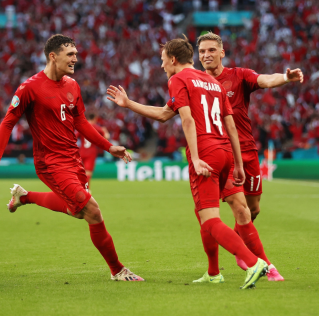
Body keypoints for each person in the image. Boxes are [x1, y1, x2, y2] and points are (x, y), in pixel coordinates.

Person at [107, 36, 268, 289]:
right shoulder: (213, 82)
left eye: (162, 61)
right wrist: (237, 163)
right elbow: (229, 125)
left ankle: (253, 261)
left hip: (206, 153)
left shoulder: (178, 79)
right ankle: (214, 273)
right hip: (226, 151)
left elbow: (187, 120)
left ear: (173, 59)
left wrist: (194, 157)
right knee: (207, 214)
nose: (162, 67)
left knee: (211, 221)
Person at [0, 34, 144, 282]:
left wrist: (108, 146)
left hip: (74, 158)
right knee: (92, 211)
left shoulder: (72, 85)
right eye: (70, 54)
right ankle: (118, 270)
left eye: (76, 54)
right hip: (50, 162)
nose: (75, 59)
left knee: (77, 211)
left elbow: (80, 120)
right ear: (53, 56)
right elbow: (8, 123)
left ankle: (24, 197)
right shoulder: (29, 88)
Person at [195, 32, 304, 280]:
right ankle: (265, 265)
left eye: (211, 50)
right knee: (241, 210)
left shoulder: (238, 75)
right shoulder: (195, 81)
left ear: (222, 52)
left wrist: (285, 78)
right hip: (222, 153)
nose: (206, 55)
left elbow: (265, 80)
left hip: (248, 150)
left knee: (253, 210)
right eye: (202, 52)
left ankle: (240, 244)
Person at [77, 113, 110, 185]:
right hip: (91, 152)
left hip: (81, 151)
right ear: (95, 119)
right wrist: (105, 130)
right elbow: (107, 137)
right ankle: (86, 189)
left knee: (79, 171)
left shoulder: (81, 126)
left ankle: (78, 187)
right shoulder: (96, 127)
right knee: (88, 172)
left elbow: (74, 137)